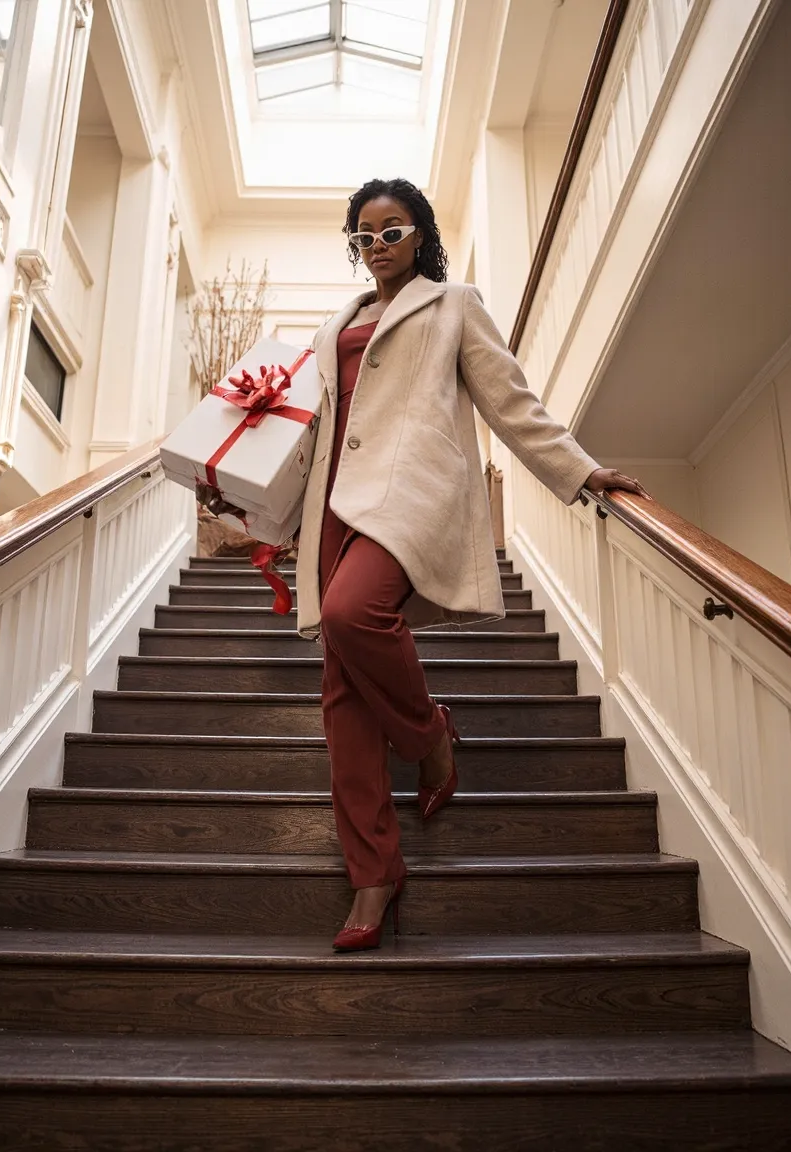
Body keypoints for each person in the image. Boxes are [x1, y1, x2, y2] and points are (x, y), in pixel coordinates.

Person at [212, 177, 648, 951]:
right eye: (363, 236)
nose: (376, 247)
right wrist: (250, 507)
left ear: (419, 235)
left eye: (391, 231)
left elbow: (511, 401)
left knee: (354, 614)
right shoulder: (329, 328)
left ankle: (428, 734)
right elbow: (310, 433)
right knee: (342, 701)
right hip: (332, 508)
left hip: (406, 496)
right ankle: (373, 874)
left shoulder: (453, 305)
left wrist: (581, 471)